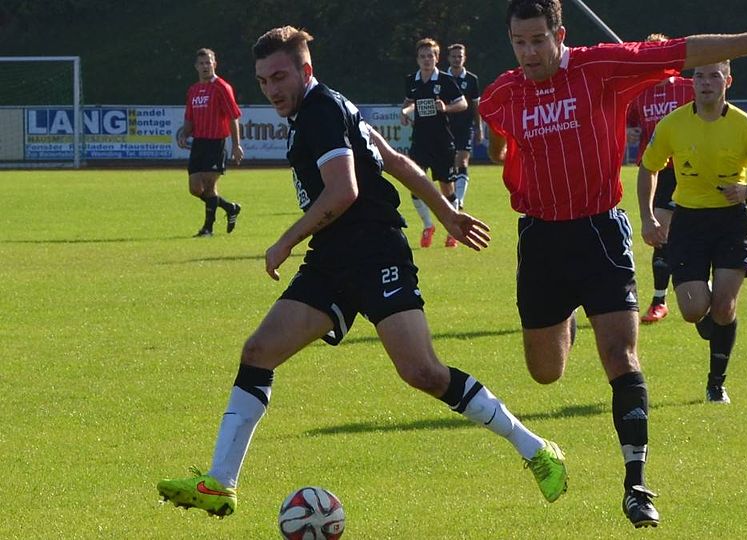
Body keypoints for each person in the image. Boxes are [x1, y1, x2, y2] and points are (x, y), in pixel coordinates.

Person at [157, 25, 567, 518]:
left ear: (305, 70)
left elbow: (344, 191)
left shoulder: (321, 111)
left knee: (422, 371)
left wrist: (286, 241)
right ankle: (220, 483)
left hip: (375, 251)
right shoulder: (328, 106)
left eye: (280, 77)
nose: (271, 89)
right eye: (263, 81)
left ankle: (535, 448)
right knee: (259, 351)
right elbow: (394, 160)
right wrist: (445, 212)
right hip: (333, 257)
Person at [479, 0, 747, 529]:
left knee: (621, 355)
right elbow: (496, 140)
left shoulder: (602, 67)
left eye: (538, 40)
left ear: (560, 35)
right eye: (519, 43)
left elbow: (685, 51)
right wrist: (507, 154)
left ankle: (636, 485)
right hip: (540, 238)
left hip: (600, 232)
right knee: (545, 373)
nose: (529, 52)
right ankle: (568, 318)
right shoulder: (501, 93)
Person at [638, 60, 747, 405]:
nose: (706, 82)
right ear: (692, 82)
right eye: (700, 76)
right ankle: (708, 310)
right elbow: (648, 168)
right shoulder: (673, 124)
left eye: (714, 76)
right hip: (688, 223)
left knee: (724, 306)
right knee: (693, 310)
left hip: (732, 222)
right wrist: (647, 217)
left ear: (727, 81)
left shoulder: (745, 126)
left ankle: (716, 385)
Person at [625, 34, 695, 324]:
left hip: (691, 170)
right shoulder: (639, 93)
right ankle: (659, 300)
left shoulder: (689, 88)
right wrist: (630, 132)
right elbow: (629, 123)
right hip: (657, 172)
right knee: (660, 234)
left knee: (697, 231)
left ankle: (701, 289)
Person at [399, 38, 467, 248]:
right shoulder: (412, 80)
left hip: (442, 142)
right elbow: (411, 102)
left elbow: (463, 103)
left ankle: (454, 229)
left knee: (446, 187)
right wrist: (405, 112)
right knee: (414, 183)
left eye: (430, 56)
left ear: (437, 58)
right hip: (420, 141)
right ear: (417, 59)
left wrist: (446, 108)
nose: (426, 60)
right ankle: (428, 226)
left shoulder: (445, 80)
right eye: (423, 56)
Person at [178, 48, 244, 237]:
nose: (205, 66)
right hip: (199, 143)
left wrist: (236, 145)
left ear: (215, 64)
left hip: (216, 142)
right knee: (195, 188)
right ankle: (230, 207)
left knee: (209, 185)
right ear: (196, 67)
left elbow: (233, 116)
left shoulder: (221, 87)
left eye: (208, 62)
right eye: (201, 63)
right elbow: (189, 118)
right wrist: (184, 134)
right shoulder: (193, 90)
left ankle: (208, 228)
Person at [445, 43, 485, 212]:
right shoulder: (441, 78)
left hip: (465, 126)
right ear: (448, 58)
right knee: (449, 164)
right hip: (445, 127)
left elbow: (476, 106)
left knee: (462, 160)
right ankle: (452, 198)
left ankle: (459, 200)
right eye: (454, 56)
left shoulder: (471, 79)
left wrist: (479, 128)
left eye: (459, 56)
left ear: (464, 58)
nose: (457, 59)